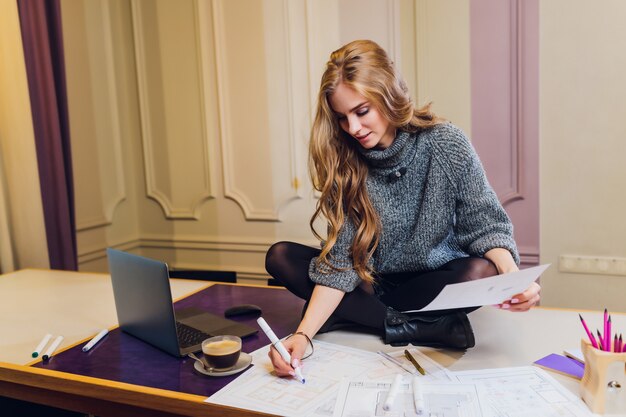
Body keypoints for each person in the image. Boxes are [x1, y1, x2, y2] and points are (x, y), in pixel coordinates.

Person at [264, 40, 541, 379]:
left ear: (387, 96)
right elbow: (341, 263)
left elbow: (485, 224)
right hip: (374, 282)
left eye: (361, 111)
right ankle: (430, 327)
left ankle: (357, 314)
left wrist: (513, 278)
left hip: (434, 281)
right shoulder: (346, 162)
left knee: (481, 271)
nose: (353, 128)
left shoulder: (444, 142)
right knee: (280, 257)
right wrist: (303, 336)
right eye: (341, 117)